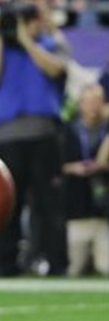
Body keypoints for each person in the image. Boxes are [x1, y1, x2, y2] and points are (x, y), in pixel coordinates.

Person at [0, 0, 69, 276]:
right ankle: (4, 263)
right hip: (7, 137)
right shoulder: (0, 50)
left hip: (43, 134)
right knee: (5, 205)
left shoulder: (48, 44)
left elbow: (55, 69)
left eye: (26, 21)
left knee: (49, 203)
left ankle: (56, 263)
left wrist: (26, 39)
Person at [62, 85, 109, 276]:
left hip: (104, 216)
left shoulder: (106, 131)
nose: (92, 107)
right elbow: (54, 166)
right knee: (74, 268)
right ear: (80, 105)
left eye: (96, 102)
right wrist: (74, 168)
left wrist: (103, 166)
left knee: (105, 268)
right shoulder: (68, 132)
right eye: (88, 102)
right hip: (78, 214)